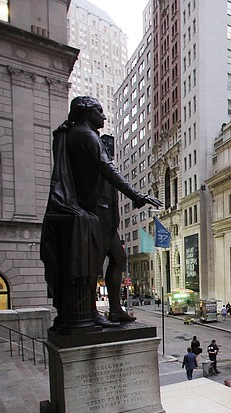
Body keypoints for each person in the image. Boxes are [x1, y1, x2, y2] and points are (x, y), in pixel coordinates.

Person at [41, 96, 162, 331]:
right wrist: (136, 195)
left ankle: (115, 310)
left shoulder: (79, 134)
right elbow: (109, 170)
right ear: (87, 112)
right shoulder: (86, 135)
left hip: (102, 211)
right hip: (96, 211)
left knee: (118, 259)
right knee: (93, 265)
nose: (104, 116)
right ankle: (91, 312)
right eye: (99, 111)